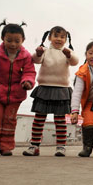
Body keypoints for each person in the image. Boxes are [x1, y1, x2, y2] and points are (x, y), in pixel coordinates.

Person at [0, 21, 36, 156]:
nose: (13, 44)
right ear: (2, 39)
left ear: (23, 40)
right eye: (9, 40)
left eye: (17, 41)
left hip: (16, 95)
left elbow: (29, 72)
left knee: (9, 119)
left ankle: (6, 146)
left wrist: (27, 82)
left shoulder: (26, 57)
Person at [23, 26, 79, 157]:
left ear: (66, 39)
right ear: (49, 38)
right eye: (56, 36)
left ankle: (61, 147)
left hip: (61, 89)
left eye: (62, 37)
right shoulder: (45, 51)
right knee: (39, 119)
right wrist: (37, 53)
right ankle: (34, 146)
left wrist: (69, 55)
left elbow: (75, 62)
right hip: (44, 87)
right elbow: (35, 60)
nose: (59, 39)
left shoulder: (67, 51)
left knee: (60, 121)